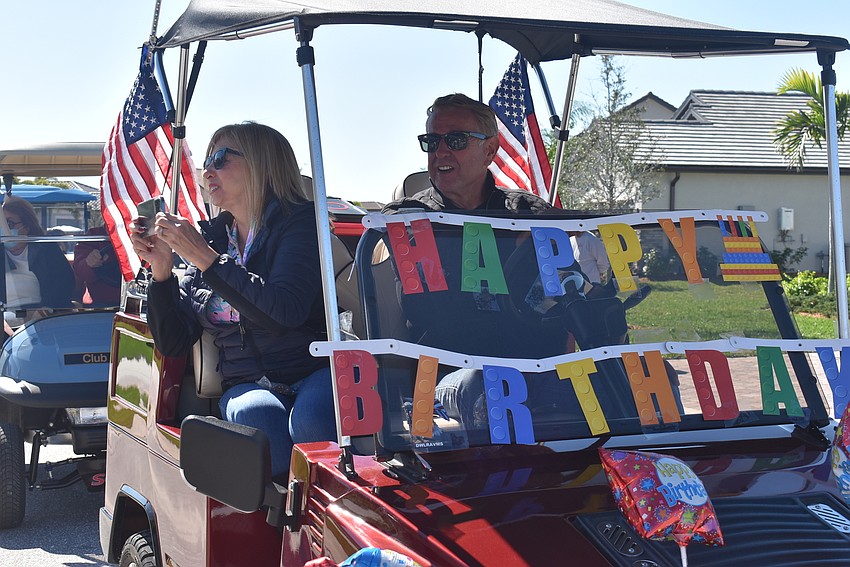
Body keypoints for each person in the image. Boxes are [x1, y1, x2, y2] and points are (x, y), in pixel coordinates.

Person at [130, 122, 336, 478]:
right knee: (260, 418)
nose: (207, 170)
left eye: (221, 158)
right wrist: (162, 271)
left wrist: (205, 258)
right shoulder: (210, 237)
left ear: (262, 164)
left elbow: (284, 311)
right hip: (247, 382)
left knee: (311, 420)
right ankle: (282, 526)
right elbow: (175, 341)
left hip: (312, 369)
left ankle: (321, 526)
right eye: (207, 160)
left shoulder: (301, 223)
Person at [2, 196, 75, 329]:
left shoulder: (47, 250)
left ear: (27, 226)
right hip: (4, 319)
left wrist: (46, 310)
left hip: (42, 319)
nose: (4, 229)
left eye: (10, 224)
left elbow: (64, 286)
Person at [73, 225, 122, 306]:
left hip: (140, 300)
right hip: (100, 303)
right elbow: (80, 270)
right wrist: (89, 262)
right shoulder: (94, 235)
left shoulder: (139, 235)